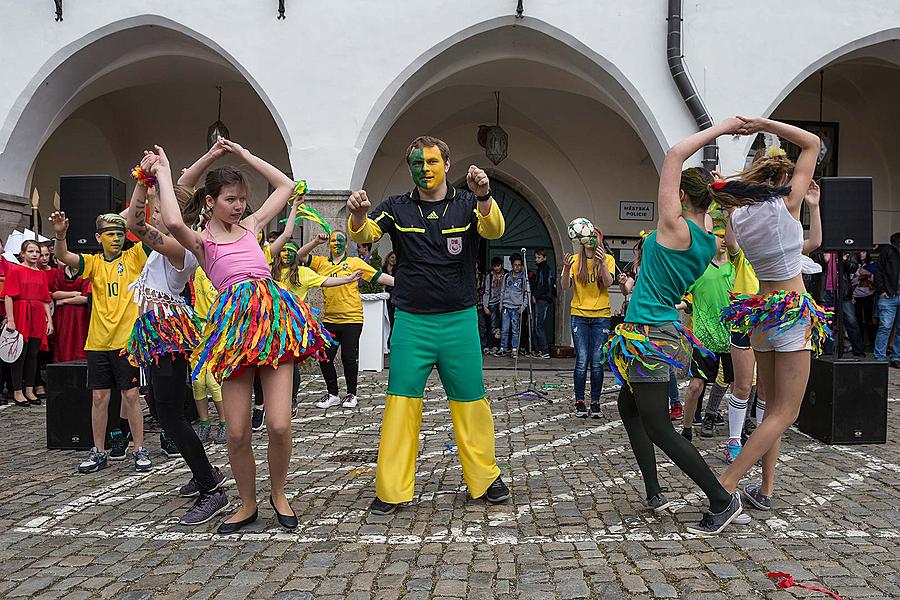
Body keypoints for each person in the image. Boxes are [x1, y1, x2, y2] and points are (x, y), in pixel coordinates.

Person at [158, 138, 332, 534]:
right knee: (236, 431)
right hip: (234, 332)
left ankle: (279, 493)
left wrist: (245, 155)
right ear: (210, 202)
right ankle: (247, 504)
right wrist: (166, 174)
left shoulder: (252, 227)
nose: (239, 206)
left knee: (280, 424)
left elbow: (286, 186)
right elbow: (170, 221)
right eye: (230, 199)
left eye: (241, 199)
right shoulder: (202, 242)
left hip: (272, 323)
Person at [347, 134, 511, 515]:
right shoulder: (396, 208)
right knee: (401, 406)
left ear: (447, 164)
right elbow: (366, 234)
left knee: (472, 404)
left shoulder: (469, 204)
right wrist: (357, 214)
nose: (425, 169)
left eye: (432, 162)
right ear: (410, 168)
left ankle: (486, 478)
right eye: (418, 163)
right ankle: (391, 488)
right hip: (412, 324)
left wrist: (485, 194)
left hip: (459, 322)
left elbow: (494, 231)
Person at [604, 117, 747, 536]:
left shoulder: (673, 226)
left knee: (660, 426)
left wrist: (720, 129)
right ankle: (653, 489)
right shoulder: (706, 239)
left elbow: (673, 154)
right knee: (629, 407)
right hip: (652, 333)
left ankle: (722, 498)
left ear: (682, 195)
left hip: (650, 335)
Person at [715, 117, 828, 515]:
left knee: (770, 404)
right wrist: (764, 123)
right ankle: (725, 487)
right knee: (786, 412)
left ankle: (765, 489)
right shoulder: (786, 206)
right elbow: (812, 142)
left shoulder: (739, 218)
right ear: (783, 180)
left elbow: (735, 212)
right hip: (793, 312)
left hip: (761, 313)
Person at [123, 149, 229, 526]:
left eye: (157, 201)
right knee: (166, 411)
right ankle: (208, 474)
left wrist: (155, 179)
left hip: (167, 335)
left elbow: (136, 224)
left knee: (170, 415)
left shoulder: (178, 249)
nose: (152, 206)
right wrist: (145, 177)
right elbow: (132, 217)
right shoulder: (164, 244)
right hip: (156, 335)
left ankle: (210, 487)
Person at [51, 209, 149, 474]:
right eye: (110, 235)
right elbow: (64, 256)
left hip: (127, 342)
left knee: (131, 396)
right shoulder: (93, 263)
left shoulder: (132, 257)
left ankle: (139, 449)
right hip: (98, 342)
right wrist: (61, 235)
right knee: (99, 398)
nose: (116, 239)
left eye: (119, 234)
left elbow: (150, 240)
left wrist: (146, 204)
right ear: (98, 237)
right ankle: (98, 451)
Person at [299, 230, 393, 410]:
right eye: (333, 240)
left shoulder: (354, 262)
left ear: (347, 244)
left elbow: (378, 276)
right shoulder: (321, 263)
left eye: (340, 240)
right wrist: (315, 241)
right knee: (325, 358)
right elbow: (301, 255)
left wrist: (403, 284)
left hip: (352, 318)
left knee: (348, 357)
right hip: (330, 320)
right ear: (329, 244)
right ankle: (333, 393)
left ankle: (351, 394)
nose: (336, 243)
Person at [680, 232, 735, 441]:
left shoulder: (736, 268)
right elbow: (686, 295)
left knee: (741, 386)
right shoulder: (700, 269)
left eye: (724, 235)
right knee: (695, 386)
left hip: (732, 339)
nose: (721, 240)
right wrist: (680, 304)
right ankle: (686, 430)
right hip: (705, 339)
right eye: (716, 235)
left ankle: (737, 434)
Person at [562, 227, 615, 418]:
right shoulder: (576, 261)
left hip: (601, 315)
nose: (591, 239)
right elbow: (565, 286)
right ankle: (579, 401)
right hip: (580, 314)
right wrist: (567, 268)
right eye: (588, 236)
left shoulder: (608, 259)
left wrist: (601, 263)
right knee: (582, 360)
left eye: (595, 236)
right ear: (581, 240)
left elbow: (608, 283)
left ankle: (595, 402)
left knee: (597, 361)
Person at [1, 240, 52, 408]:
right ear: (23, 254)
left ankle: (30, 389)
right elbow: (8, 296)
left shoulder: (41, 274)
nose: (35, 254)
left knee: (33, 355)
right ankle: (17, 391)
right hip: (21, 312)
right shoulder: (15, 270)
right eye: (31, 251)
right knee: (19, 354)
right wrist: (11, 319)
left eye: (37, 251)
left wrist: (49, 320)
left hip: (37, 315)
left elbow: (45, 299)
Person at [191, 264, 226, 444]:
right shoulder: (196, 268)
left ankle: (224, 422)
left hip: (219, 327)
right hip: (199, 327)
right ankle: (204, 423)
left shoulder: (225, 267)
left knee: (213, 381)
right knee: (197, 380)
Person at [874, 233, 900, 365]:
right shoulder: (888, 251)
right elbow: (878, 271)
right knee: (885, 327)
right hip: (889, 295)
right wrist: (882, 291)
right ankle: (880, 357)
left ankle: (896, 357)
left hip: (890, 294)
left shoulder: (888, 251)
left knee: (886, 327)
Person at [497, 254, 530, 357]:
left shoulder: (524, 277)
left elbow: (526, 293)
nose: (517, 267)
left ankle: (515, 349)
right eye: (515, 265)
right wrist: (500, 304)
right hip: (506, 306)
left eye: (519, 265)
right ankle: (503, 348)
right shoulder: (507, 276)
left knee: (515, 330)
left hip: (516, 308)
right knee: (505, 329)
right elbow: (502, 290)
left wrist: (523, 307)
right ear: (511, 265)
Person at [530, 248, 556, 359]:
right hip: (542, 299)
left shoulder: (544, 269)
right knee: (536, 325)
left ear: (545, 258)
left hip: (542, 300)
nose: (537, 260)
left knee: (538, 325)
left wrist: (536, 295)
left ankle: (544, 350)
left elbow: (545, 286)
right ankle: (538, 349)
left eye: (539, 257)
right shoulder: (541, 269)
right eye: (536, 257)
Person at [853, 250, 876, 349]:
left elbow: (877, 279)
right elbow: (850, 281)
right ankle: (860, 341)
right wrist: (859, 277)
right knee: (857, 319)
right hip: (856, 295)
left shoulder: (872, 265)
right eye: (859, 252)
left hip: (869, 295)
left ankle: (871, 342)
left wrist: (869, 274)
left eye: (863, 252)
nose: (861, 254)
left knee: (868, 319)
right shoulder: (854, 266)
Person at [482, 257, 505, 354]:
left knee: (502, 325)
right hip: (491, 303)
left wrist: (502, 303)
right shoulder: (489, 276)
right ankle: (492, 345)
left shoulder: (506, 275)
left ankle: (501, 345)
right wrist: (485, 306)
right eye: (494, 266)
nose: (496, 268)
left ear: (502, 265)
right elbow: (486, 291)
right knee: (492, 325)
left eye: (498, 266)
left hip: (503, 302)